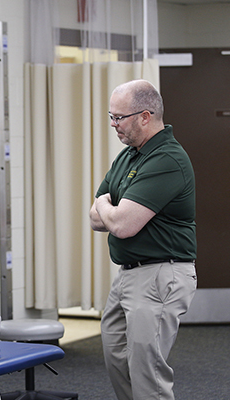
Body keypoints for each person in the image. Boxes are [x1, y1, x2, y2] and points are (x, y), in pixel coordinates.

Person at [89, 79, 197, 400]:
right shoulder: (128, 157)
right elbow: (95, 219)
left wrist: (106, 206)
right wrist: (109, 210)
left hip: (160, 275)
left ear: (145, 117)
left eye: (119, 117)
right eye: (111, 116)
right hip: (128, 274)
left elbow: (122, 225)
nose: (113, 124)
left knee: (147, 374)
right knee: (117, 360)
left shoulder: (167, 159)